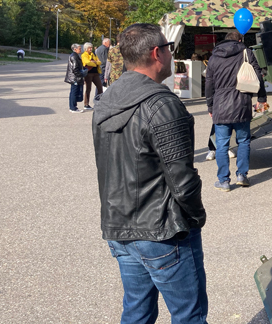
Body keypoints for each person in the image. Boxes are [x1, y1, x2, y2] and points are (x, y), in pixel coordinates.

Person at [92, 23, 208, 324]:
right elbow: (183, 182)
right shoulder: (162, 105)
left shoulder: (107, 99)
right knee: (190, 316)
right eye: (169, 48)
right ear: (158, 53)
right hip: (163, 233)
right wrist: (196, 219)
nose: (172, 54)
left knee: (136, 312)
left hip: (120, 228)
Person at [205, 31, 266, 191]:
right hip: (242, 103)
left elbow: (209, 85)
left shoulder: (214, 57)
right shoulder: (246, 53)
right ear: (240, 40)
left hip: (220, 105)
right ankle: (242, 175)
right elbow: (258, 76)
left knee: (222, 145)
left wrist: (210, 106)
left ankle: (224, 181)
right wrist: (261, 98)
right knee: (244, 141)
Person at [64, 43, 85, 113]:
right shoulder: (74, 56)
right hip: (75, 78)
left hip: (74, 77)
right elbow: (75, 69)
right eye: (79, 48)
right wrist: (81, 74)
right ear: (75, 49)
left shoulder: (75, 56)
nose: (80, 49)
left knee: (74, 92)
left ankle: (73, 107)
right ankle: (73, 108)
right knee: (74, 92)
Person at [81, 42, 103, 110]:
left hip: (96, 73)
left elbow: (100, 62)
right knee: (88, 88)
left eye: (91, 47)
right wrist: (95, 63)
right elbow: (87, 62)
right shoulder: (84, 55)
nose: (91, 49)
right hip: (88, 73)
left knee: (100, 87)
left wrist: (94, 62)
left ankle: (99, 102)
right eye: (89, 48)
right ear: (86, 48)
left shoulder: (93, 54)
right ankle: (86, 104)